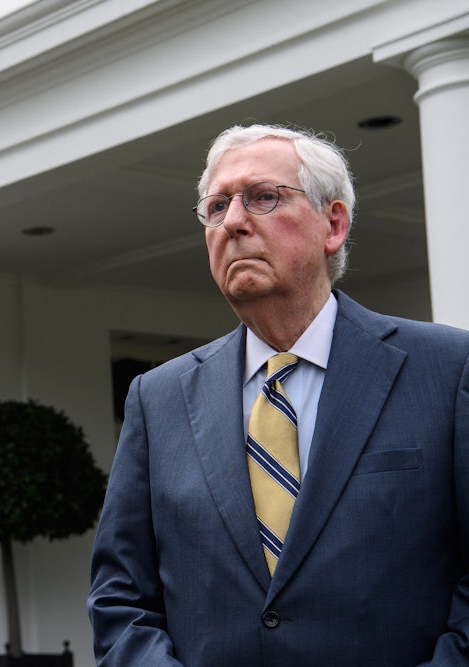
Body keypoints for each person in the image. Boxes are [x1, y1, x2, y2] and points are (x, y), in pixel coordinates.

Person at [88, 124, 469, 665]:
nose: (235, 222)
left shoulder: (448, 370)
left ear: (333, 224)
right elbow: (121, 598)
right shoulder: (158, 397)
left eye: (264, 197)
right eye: (216, 207)